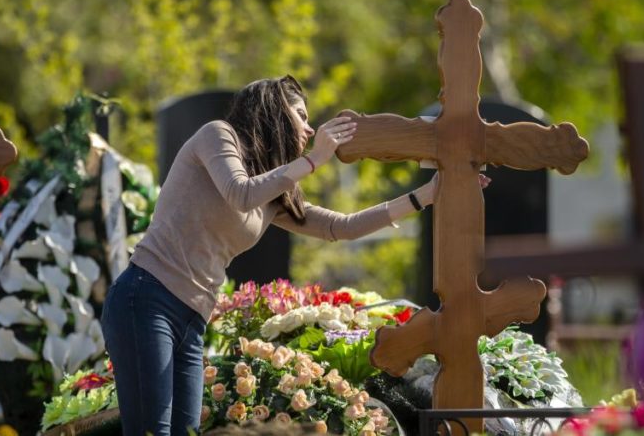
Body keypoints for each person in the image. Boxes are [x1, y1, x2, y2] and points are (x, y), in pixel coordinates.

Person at [101, 75, 489, 435]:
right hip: (147, 299)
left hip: (192, 319)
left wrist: (425, 196)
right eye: (301, 115)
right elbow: (240, 193)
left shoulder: (274, 194)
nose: (309, 128)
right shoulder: (218, 135)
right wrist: (314, 159)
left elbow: (342, 227)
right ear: (273, 109)